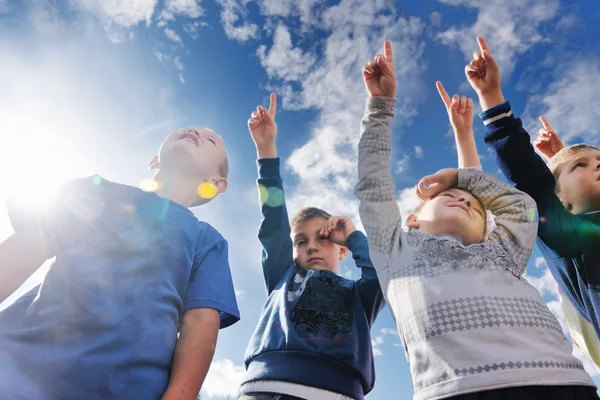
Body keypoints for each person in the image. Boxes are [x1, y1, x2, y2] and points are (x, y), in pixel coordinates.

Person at [355, 39, 596, 399]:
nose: (461, 200)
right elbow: (373, 184)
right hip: (459, 390)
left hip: (564, 383)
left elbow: (521, 205)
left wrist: (461, 178)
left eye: (472, 203)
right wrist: (380, 108)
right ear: (412, 221)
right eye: (448, 197)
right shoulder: (397, 251)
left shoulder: (500, 252)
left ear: (486, 227)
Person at [0, 126, 240, 399]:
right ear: (154, 160)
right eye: (185, 130)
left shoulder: (207, 241)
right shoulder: (95, 191)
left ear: (217, 182)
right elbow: (27, 247)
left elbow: (199, 321)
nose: (193, 132)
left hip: (126, 388)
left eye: (209, 140)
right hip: (16, 365)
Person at [238, 94, 386, 400]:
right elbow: (273, 222)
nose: (312, 247)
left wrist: (353, 234)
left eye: (323, 238)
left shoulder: (359, 294)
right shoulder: (283, 276)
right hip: (264, 386)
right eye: (301, 241)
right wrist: (266, 150)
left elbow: (381, 271)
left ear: (342, 249)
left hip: (336, 391)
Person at [469, 33, 600, 370]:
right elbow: (532, 181)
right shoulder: (575, 240)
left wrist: (565, 159)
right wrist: (491, 98)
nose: (596, 163)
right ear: (560, 204)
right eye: (581, 166)